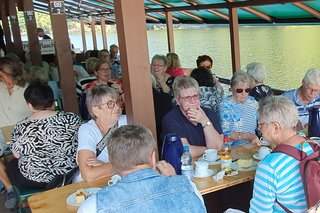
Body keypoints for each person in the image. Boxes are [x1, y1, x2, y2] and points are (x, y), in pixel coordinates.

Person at [78, 124, 206, 213]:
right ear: (153, 157)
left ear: (113, 162)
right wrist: (175, 180)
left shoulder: (93, 206)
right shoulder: (188, 186)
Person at [0, 80, 82, 209]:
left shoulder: (21, 126)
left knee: (11, 165)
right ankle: (55, 188)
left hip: (35, 180)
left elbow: (16, 155)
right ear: (52, 101)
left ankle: (22, 197)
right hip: (68, 174)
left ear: (30, 105)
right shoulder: (72, 118)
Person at [250, 96, 316, 212]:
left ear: (276, 127)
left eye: (261, 124)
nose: (259, 128)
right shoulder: (313, 146)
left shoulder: (269, 166)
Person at [162, 76, 223, 157]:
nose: (193, 101)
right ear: (178, 101)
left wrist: (205, 121)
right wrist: (210, 149)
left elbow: (220, 146)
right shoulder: (171, 119)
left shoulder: (209, 113)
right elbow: (186, 151)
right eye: (187, 98)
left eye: (195, 96)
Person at [75, 85, 124, 182]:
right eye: (110, 104)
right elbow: (88, 175)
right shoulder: (87, 129)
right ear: (96, 110)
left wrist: (104, 165)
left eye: (118, 102)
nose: (117, 107)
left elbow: (140, 161)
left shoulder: (127, 121)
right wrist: (123, 165)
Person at [219, 71, 260, 145]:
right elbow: (225, 134)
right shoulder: (225, 106)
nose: (243, 93)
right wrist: (248, 136)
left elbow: (261, 122)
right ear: (231, 89)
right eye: (239, 90)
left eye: (247, 90)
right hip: (233, 147)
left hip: (252, 143)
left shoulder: (252, 102)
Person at [0, 57, 30, 145]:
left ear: (1, 73)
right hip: (2, 138)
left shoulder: (28, 89)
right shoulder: (1, 86)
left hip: (23, 138)